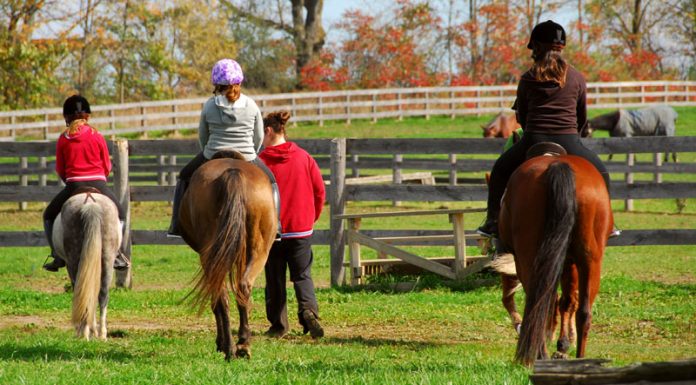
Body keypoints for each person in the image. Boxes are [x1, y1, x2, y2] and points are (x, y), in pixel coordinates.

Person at [477, 20, 620, 239]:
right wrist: (574, 134)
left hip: (534, 139)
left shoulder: (527, 78)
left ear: (536, 47)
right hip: (570, 141)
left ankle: (493, 221)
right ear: (562, 48)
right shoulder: (577, 77)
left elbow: (522, 117)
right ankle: (608, 222)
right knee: (601, 172)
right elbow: (582, 117)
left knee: (500, 170)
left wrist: (533, 129)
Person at [166, 58, 280, 239]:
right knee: (272, 182)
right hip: (247, 154)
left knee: (183, 176)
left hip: (213, 152)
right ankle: (277, 226)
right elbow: (258, 136)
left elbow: (203, 135)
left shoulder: (210, 105)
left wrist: (207, 152)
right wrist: (252, 151)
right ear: (239, 81)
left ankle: (176, 224)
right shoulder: (251, 105)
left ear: (216, 82)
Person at [43, 95, 131, 272]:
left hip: (74, 185)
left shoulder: (63, 138)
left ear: (66, 117)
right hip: (99, 184)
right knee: (121, 214)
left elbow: (61, 169)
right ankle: (118, 253)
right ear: (88, 116)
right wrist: (99, 178)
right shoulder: (97, 135)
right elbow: (106, 165)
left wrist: (71, 183)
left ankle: (56, 255)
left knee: (48, 215)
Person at [259, 111, 325, 339]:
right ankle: (308, 310)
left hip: (272, 231)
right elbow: (319, 191)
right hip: (301, 229)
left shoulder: (260, 162)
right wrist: (310, 217)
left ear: (268, 131)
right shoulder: (304, 157)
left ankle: (279, 326)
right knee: (302, 274)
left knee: (274, 278)